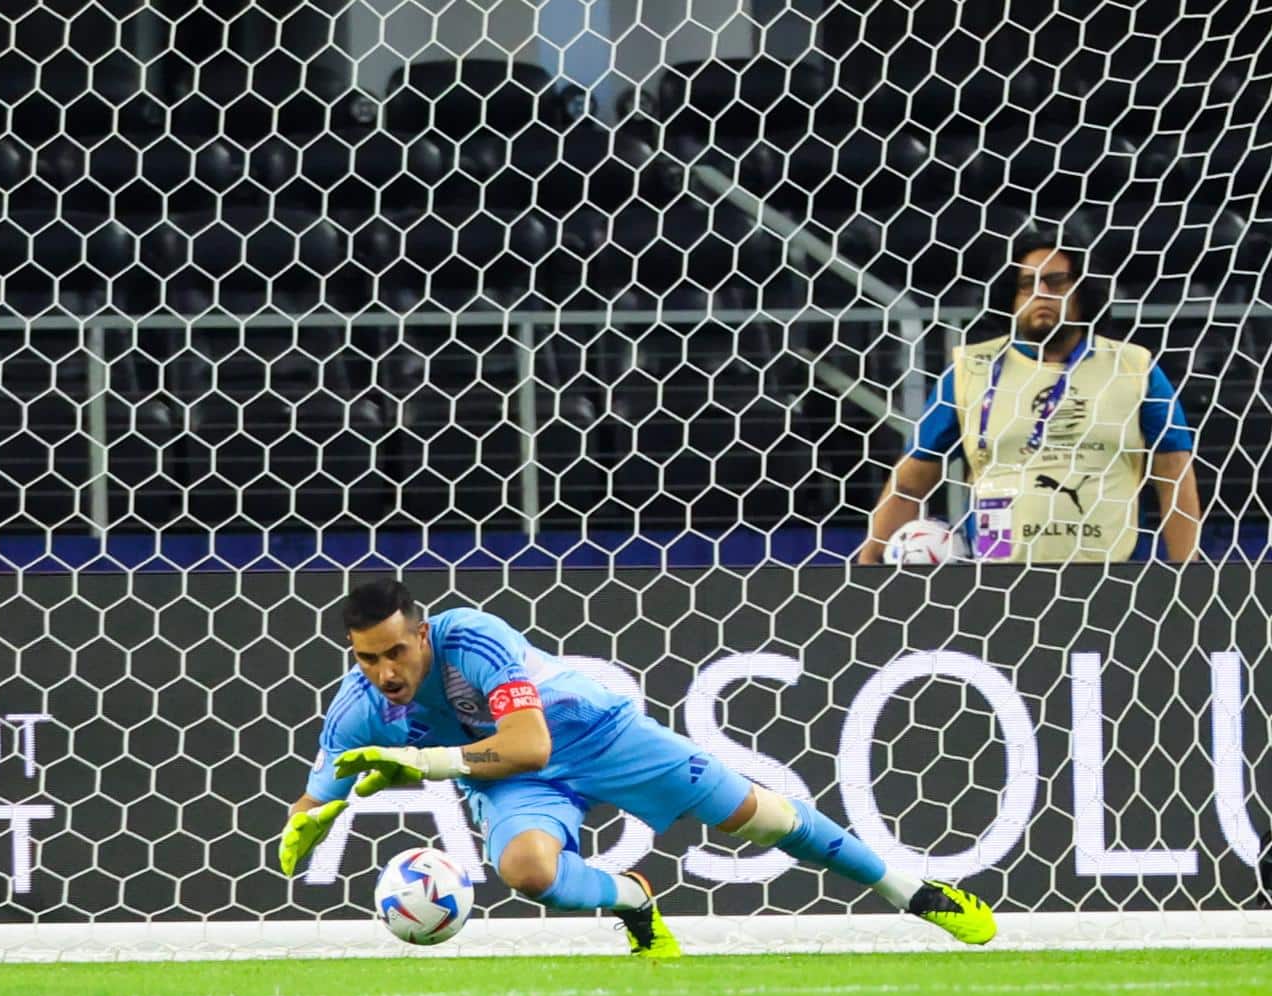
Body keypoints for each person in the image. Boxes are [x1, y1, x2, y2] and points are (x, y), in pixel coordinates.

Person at [278, 579, 996, 955]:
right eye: (367, 657)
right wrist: (300, 833)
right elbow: (314, 801)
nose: (385, 671)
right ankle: (632, 899)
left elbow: (530, 742)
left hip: (593, 733)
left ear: (421, 632)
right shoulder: (357, 708)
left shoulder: (474, 638)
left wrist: (417, 763)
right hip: (513, 781)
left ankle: (914, 893)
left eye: (396, 652)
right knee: (529, 875)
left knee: (760, 818)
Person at [860, 232, 1202, 564]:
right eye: (1027, 285)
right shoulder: (970, 370)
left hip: (1110, 578)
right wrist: (867, 563)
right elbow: (909, 482)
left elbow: (1174, 475)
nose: (1041, 293)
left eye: (1055, 282)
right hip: (997, 583)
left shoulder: (1133, 367)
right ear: (1012, 298)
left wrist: (1187, 570)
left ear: (1083, 291)